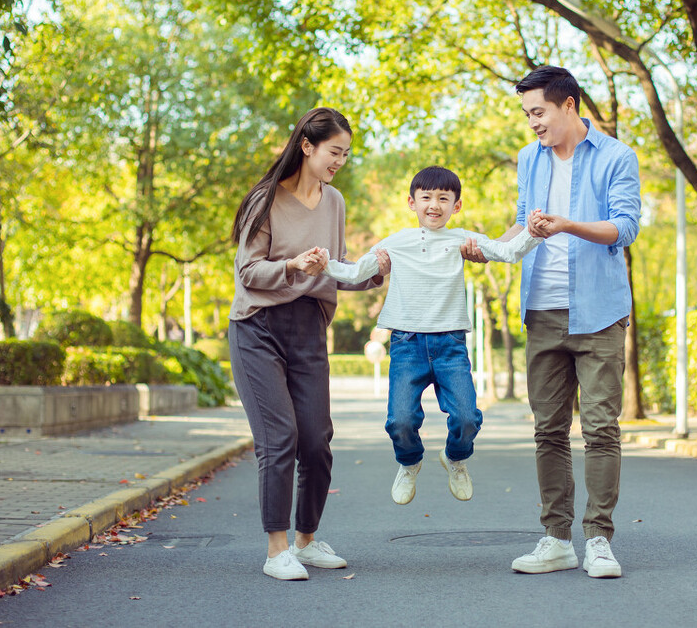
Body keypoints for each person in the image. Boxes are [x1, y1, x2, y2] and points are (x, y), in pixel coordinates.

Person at [462, 66, 640, 579]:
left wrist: (567, 225)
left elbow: (624, 227)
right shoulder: (528, 159)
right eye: (527, 114)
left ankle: (599, 539)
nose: (532, 123)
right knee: (549, 431)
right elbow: (524, 222)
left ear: (568, 105)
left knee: (602, 427)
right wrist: (491, 251)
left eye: (538, 112)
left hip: (599, 311)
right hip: (541, 309)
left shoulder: (615, 157)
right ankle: (556, 538)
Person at [228, 107, 386, 581]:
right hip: (258, 327)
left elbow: (334, 269)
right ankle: (277, 550)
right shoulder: (265, 199)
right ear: (307, 146)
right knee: (280, 439)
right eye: (334, 151)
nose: (340, 160)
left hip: (309, 328)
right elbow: (248, 271)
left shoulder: (333, 201)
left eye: (345, 154)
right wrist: (294, 265)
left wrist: (374, 272)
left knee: (316, 441)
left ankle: (306, 541)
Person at [323, 166, 543, 506]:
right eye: (426, 197)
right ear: (412, 202)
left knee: (468, 417)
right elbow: (354, 273)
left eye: (443, 198)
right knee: (400, 420)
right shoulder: (395, 243)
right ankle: (409, 463)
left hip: (449, 345)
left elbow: (509, 253)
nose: (434, 205)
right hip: (407, 345)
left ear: (456, 206)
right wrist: (323, 264)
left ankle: (456, 458)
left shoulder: (463, 239)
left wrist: (534, 232)